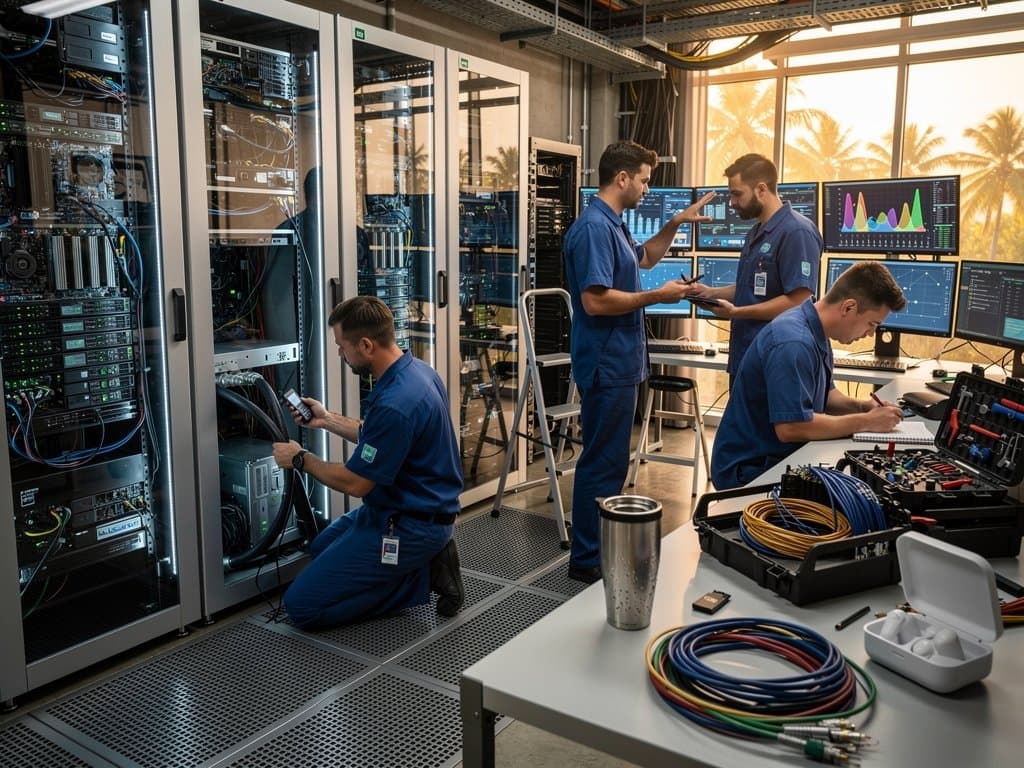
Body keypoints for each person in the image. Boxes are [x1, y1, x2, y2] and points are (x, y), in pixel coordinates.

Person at [562, 140, 715, 583]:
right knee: (602, 463)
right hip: (607, 363)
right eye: (645, 180)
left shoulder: (614, 225)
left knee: (611, 462)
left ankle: (596, 552)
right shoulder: (593, 228)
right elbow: (595, 301)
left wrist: (674, 224)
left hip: (621, 361)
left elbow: (644, 258)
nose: (648, 188)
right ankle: (588, 561)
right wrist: (659, 296)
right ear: (622, 178)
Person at [272, 295, 465, 628]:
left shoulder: (395, 404)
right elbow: (377, 437)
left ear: (365, 345)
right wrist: (326, 419)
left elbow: (356, 483)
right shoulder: (417, 373)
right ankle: (417, 562)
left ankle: (422, 576)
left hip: (410, 525)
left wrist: (301, 459)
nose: (340, 354)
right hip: (399, 510)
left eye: (342, 347)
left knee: (301, 607)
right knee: (320, 548)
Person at [710, 261, 907, 490]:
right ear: (848, 307)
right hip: (749, 471)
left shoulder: (816, 330)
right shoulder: (793, 342)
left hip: (778, 456)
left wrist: (863, 407)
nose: (871, 333)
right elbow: (791, 428)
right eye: (872, 324)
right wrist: (866, 422)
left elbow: (827, 396)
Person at [689, 154, 823, 383]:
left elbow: (798, 301)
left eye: (737, 194)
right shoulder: (757, 232)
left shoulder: (797, 232)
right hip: (746, 354)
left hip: (776, 359)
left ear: (761, 189)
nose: (731, 202)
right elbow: (751, 288)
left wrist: (736, 312)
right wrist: (710, 293)